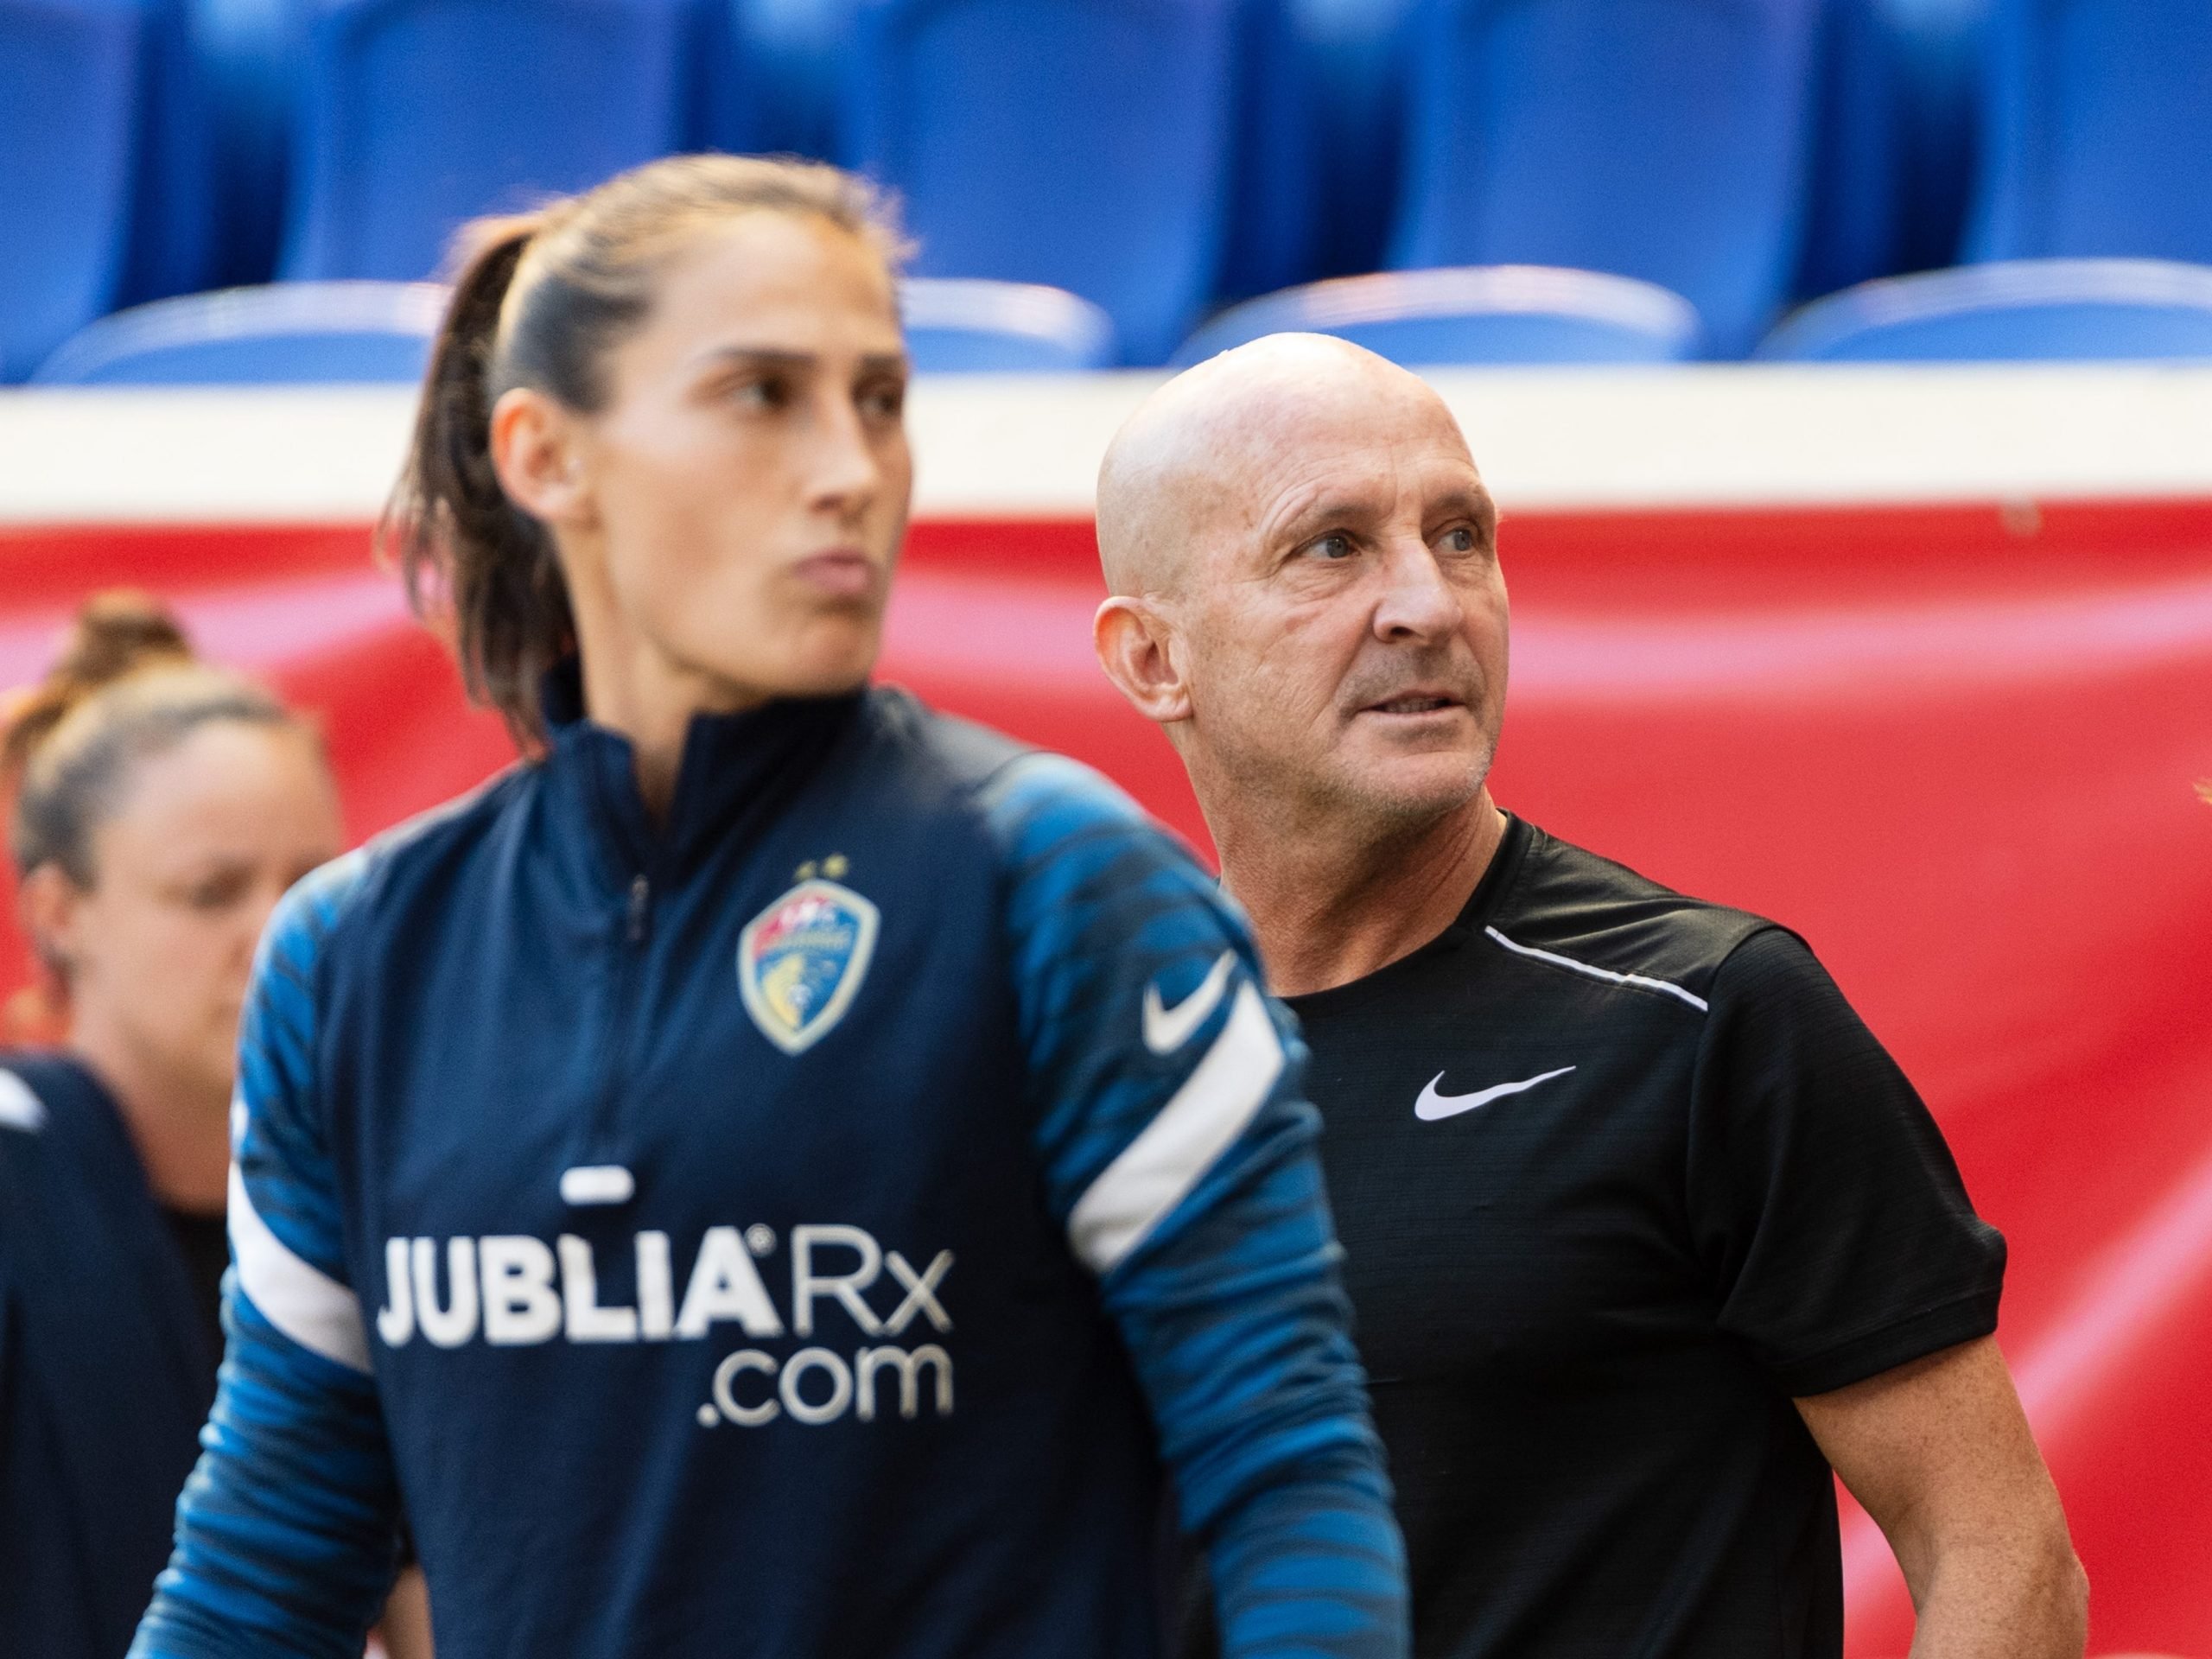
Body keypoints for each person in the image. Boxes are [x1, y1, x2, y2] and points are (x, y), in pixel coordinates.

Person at [131, 159, 1406, 1659]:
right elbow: (265, 1567)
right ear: (548, 455)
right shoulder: (355, 959)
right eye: (764, 396)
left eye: (876, 398)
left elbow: (1288, 1484)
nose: (851, 466)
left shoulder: (1060, 884)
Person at [1092, 334, 2089, 1659]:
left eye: (1459, 536)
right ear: (1156, 659)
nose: (1429, 604)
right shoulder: (1087, 1071)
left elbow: (2000, 1554)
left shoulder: (1711, 1019)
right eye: (1332, 547)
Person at [0, 596, 362, 1656]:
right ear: (61, 914)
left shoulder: (388, 1202)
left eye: (311, 886)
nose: (275, 937)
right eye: (211, 893)